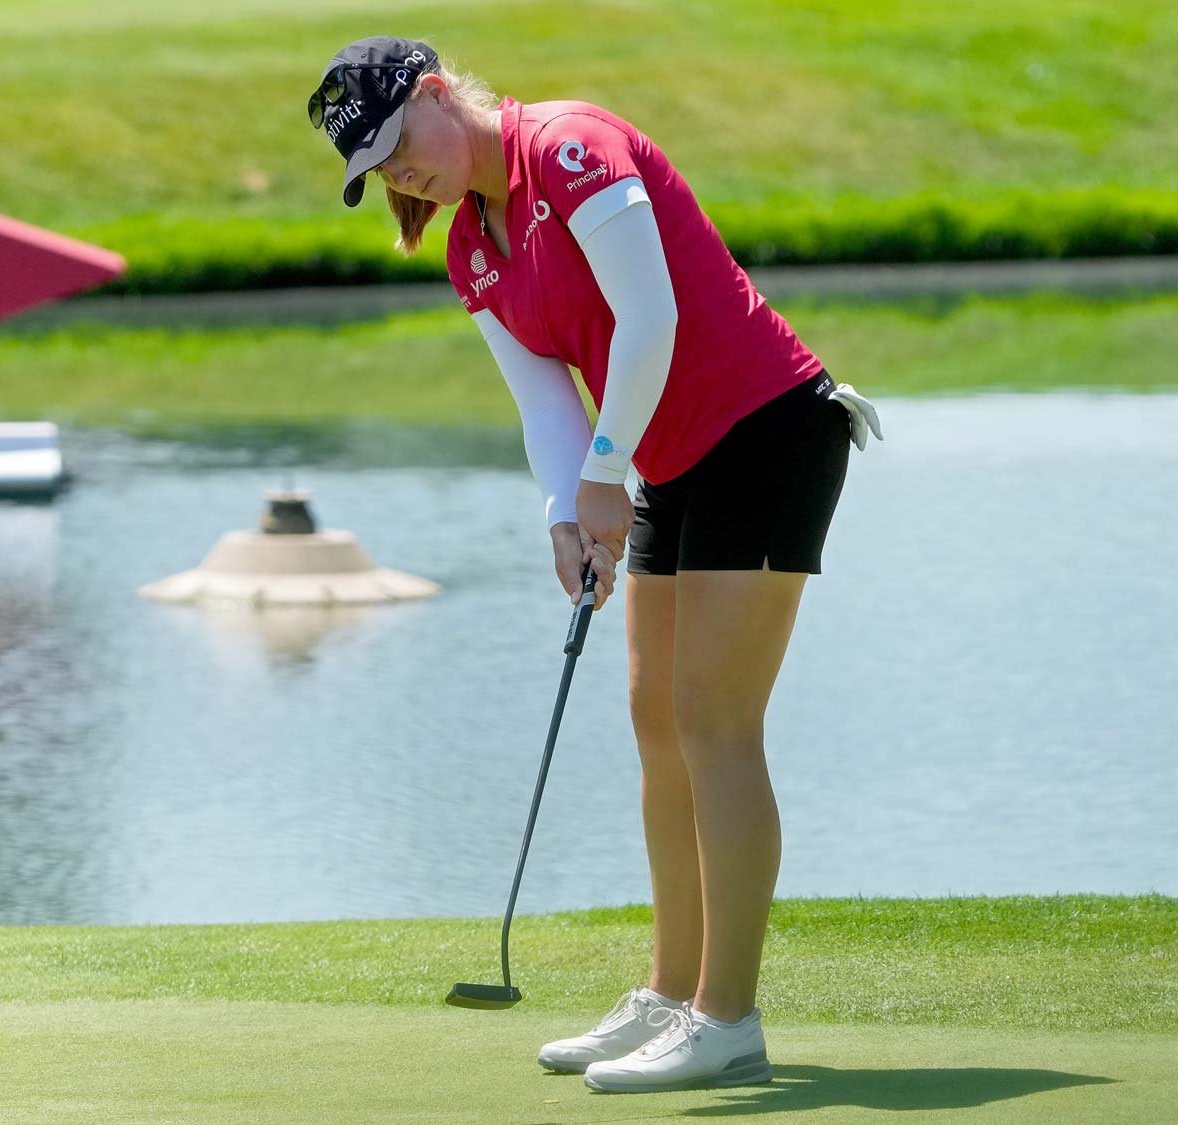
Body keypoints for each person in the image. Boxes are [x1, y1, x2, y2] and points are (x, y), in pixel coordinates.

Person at [306, 36, 883, 1094]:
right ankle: (668, 995)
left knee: (713, 723)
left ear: (438, 93)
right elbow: (541, 402)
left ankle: (727, 1017)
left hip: (765, 433)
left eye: (399, 145)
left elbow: (647, 318)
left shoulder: (568, 149)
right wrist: (563, 517)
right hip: (661, 458)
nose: (400, 176)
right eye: (377, 171)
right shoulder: (468, 250)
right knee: (657, 724)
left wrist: (606, 474)